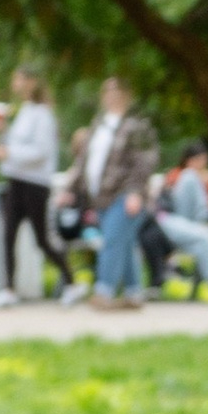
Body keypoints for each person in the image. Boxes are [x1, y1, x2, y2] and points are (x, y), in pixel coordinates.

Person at [66, 77, 162, 313]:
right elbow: (84, 162)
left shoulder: (136, 125)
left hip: (125, 194)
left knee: (112, 240)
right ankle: (133, 293)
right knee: (124, 242)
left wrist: (135, 192)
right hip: (101, 197)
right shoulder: (98, 126)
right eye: (106, 90)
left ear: (127, 95)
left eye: (116, 90)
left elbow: (145, 161)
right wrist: (71, 189)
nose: (111, 95)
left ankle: (104, 290)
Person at [0, 69, 71, 304]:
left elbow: (40, 152)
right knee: (8, 234)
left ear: (31, 82)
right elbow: (16, 146)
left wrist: (10, 152)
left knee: (41, 239)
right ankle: (9, 289)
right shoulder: (23, 112)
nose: (15, 84)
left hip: (35, 184)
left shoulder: (43, 114)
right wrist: (3, 134)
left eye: (19, 79)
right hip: (15, 181)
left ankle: (70, 281)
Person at [153, 147, 208, 299]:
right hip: (175, 221)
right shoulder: (184, 175)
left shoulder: (196, 176)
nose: (205, 164)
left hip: (184, 222)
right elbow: (194, 210)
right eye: (203, 160)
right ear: (191, 160)